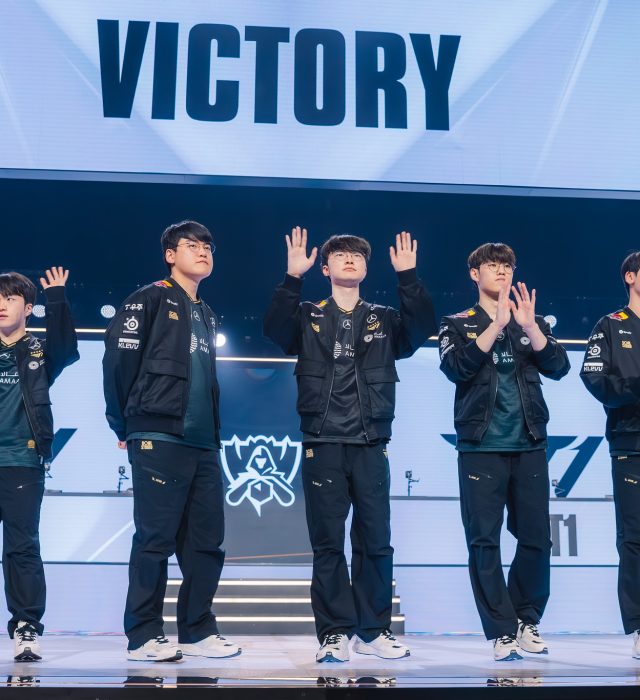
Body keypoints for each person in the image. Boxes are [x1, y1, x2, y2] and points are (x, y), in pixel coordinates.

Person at [264, 227, 436, 662]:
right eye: (340, 255)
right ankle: (334, 633)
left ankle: (373, 631)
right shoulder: (306, 314)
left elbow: (421, 330)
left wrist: (408, 277)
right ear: (325, 269)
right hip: (322, 441)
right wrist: (292, 278)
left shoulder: (385, 318)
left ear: (366, 268)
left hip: (370, 441)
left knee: (376, 540)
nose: (349, 260)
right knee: (328, 543)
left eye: (357, 256)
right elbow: (275, 330)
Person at [103, 221, 239, 662]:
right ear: (169, 254)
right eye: (192, 245)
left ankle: (197, 631)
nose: (202, 251)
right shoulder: (148, 299)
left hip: (203, 441)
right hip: (158, 434)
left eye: (208, 246)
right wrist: (126, 423)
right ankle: (143, 635)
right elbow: (118, 363)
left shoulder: (207, 312)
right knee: (155, 539)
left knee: (206, 542)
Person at [438, 242, 570, 661]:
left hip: (530, 443)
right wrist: (494, 327)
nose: (501, 271)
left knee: (537, 539)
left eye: (507, 266)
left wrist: (530, 327)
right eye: (492, 265)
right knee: (484, 541)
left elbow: (560, 367)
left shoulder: (532, 320)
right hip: (481, 446)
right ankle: (500, 631)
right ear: (474, 273)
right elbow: (455, 368)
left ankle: (526, 619)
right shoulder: (456, 323)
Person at [0, 268, 78, 661]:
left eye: (10, 298)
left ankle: (26, 626)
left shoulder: (39, 353)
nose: (1, 305)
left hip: (22, 462)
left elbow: (66, 348)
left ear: (28, 308)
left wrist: (58, 298)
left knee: (22, 546)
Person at [580, 250, 640, 659]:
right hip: (631, 443)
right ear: (630, 277)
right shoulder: (610, 325)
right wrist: (635, 386)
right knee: (635, 539)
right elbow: (594, 379)